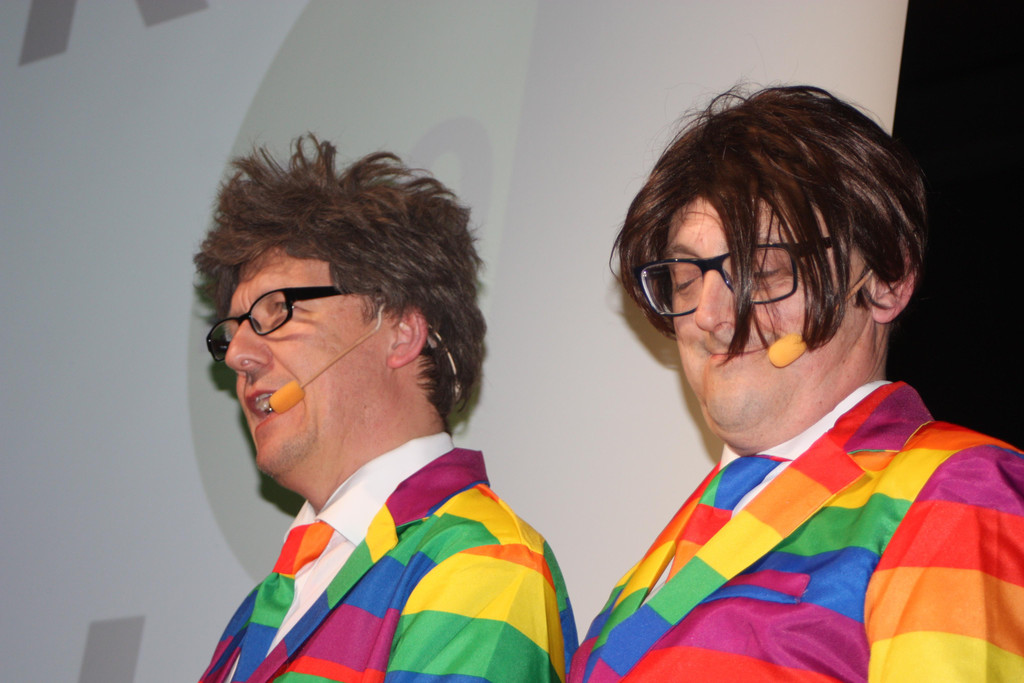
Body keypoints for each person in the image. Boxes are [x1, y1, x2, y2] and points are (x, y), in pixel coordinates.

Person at [570, 86, 1024, 681]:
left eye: (764, 268)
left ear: (886, 280)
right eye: (685, 277)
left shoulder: (958, 494)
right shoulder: (659, 560)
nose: (709, 314)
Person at [195, 137, 576, 683]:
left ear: (400, 331)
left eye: (276, 311)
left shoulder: (482, 560)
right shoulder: (258, 611)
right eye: (231, 332)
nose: (237, 354)